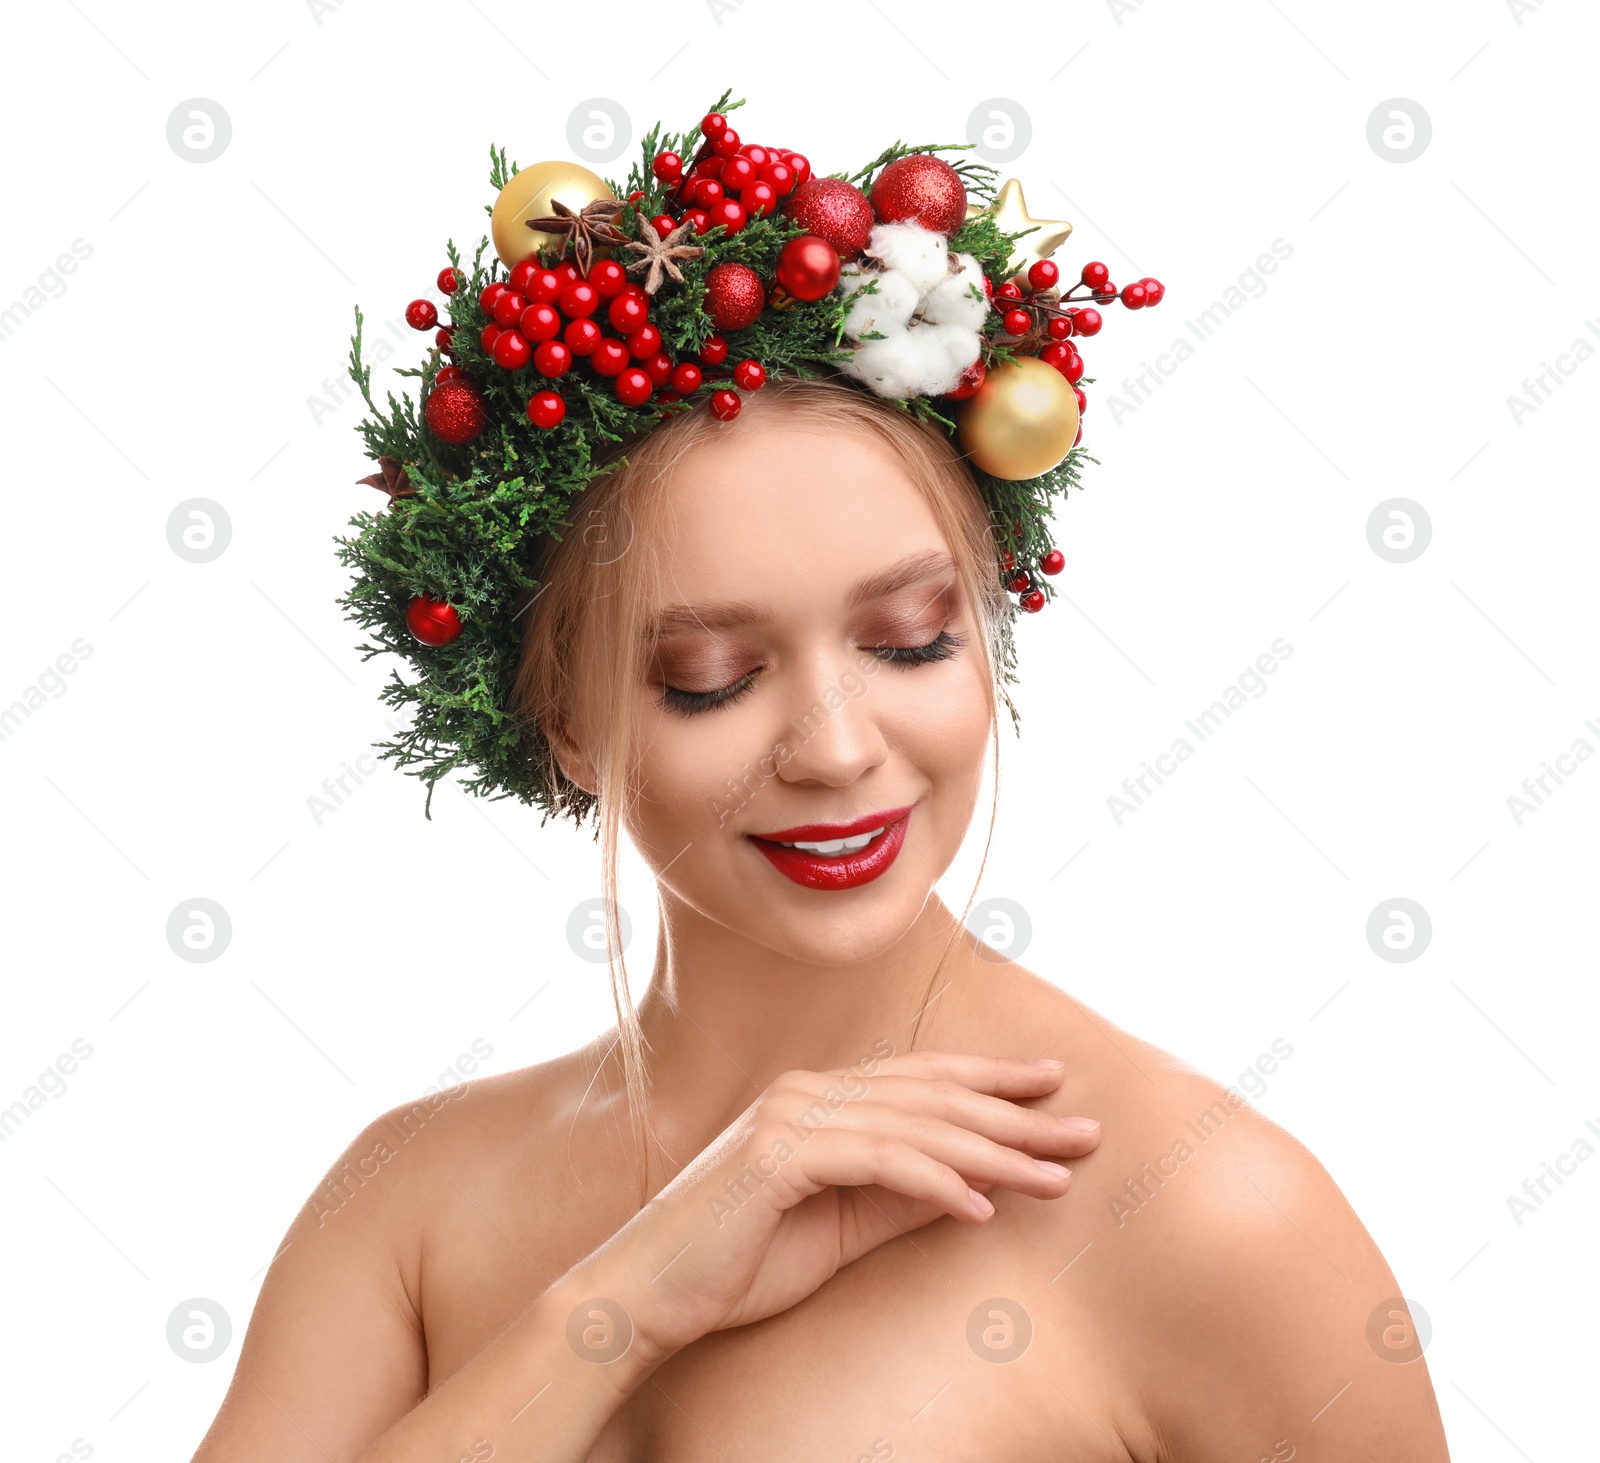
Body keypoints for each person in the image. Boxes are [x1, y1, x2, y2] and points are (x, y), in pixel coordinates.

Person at [191, 374, 1449, 1461]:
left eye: (910, 640)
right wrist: (624, 1300)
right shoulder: (403, 1200)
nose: (838, 749)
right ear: (566, 723)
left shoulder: (1205, 1209)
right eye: (711, 679)